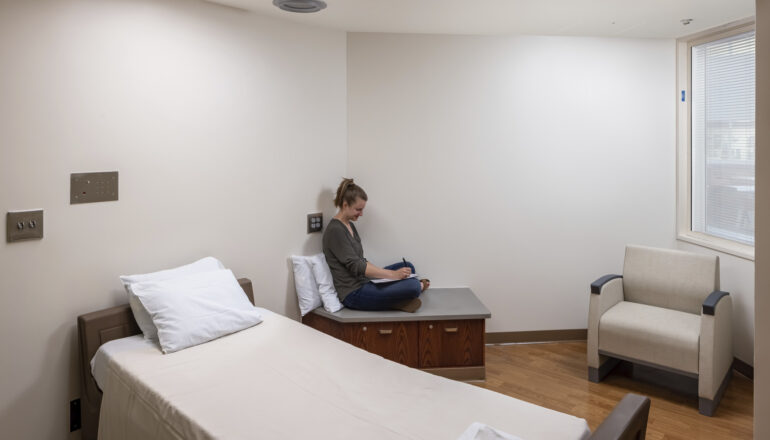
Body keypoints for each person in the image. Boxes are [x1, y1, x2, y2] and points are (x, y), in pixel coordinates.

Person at [322, 178, 429, 312]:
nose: (361, 214)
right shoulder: (335, 230)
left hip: (365, 281)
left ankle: (395, 301)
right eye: (358, 209)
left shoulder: (349, 225)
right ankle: (398, 299)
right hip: (354, 293)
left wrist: (388, 275)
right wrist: (392, 275)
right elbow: (357, 265)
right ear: (345, 205)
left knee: (408, 267)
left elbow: (361, 260)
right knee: (413, 286)